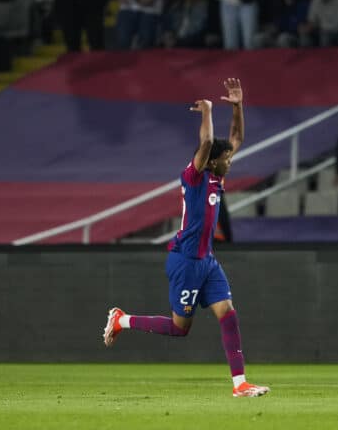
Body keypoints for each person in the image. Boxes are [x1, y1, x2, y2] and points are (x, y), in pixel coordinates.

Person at [102, 78, 269, 398]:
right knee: (180, 328)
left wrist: (238, 106)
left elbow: (236, 137)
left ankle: (240, 384)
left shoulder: (217, 179)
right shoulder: (193, 177)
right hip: (185, 261)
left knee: (228, 314)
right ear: (213, 160)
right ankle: (122, 320)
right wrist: (207, 111)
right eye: (227, 159)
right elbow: (206, 144)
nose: (230, 162)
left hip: (206, 262)